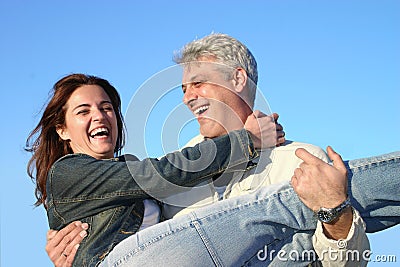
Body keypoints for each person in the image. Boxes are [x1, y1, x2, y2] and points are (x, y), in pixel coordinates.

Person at [43, 34, 382, 266]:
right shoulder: (181, 167)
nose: (187, 97)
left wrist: (335, 214)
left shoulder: (300, 162)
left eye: (198, 83)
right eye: (183, 88)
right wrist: (75, 254)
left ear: (237, 79)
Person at [26, 73, 282, 266]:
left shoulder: (126, 170)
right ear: (62, 130)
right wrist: (247, 140)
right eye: (83, 111)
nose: (100, 116)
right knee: (279, 206)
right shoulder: (67, 172)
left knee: (285, 249)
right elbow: (165, 173)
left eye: (106, 108)